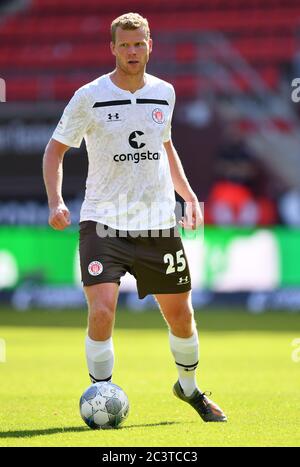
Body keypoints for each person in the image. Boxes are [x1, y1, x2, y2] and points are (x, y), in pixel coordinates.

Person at [43, 12, 226, 423]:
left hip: (158, 223)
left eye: (138, 43)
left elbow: (166, 146)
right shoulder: (89, 95)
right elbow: (55, 150)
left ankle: (190, 389)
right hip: (103, 221)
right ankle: (102, 392)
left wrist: (188, 193)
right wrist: (55, 200)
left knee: (181, 315)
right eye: (124, 44)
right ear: (112, 48)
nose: (131, 51)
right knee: (102, 310)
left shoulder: (165, 93)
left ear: (149, 45)